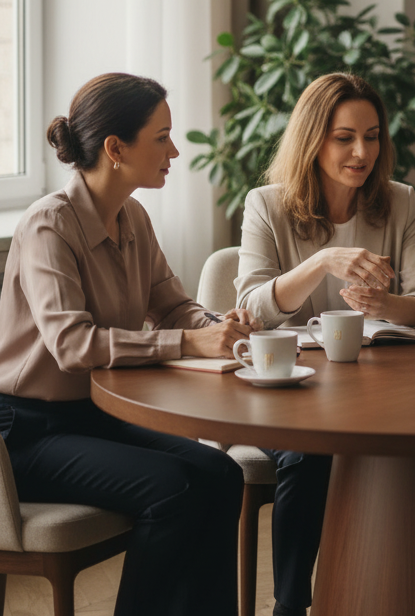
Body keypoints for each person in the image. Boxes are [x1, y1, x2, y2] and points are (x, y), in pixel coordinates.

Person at [0, 73, 258, 616]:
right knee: (174, 489)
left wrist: (218, 325)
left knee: (221, 474)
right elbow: (72, 345)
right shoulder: (49, 226)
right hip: (25, 432)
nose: (176, 150)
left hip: (90, 415)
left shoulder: (133, 217)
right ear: (116, 149)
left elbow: (171, 306)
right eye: (162, 137)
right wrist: (189, 340)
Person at [236, 71, 415, 616]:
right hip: (290, 393)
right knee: (311, 455)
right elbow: (249, 309)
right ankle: (291, 605)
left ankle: (393, 594)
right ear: (313, 139)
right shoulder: (267, 205)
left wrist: (391, 307)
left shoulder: (398, 202)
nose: (362, 152)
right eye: (344, 137)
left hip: (380, 392)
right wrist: (322, 262)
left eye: (373, 136)